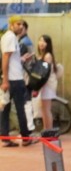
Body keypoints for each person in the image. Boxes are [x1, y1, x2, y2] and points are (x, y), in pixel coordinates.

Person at [1, 15, 32, 147]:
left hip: (12, 78)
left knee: (6, 109)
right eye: (18, 24)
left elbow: (11, 59)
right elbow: (6, 59)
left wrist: (22, 60)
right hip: (14, 79)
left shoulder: (11, 37)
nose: (21, 26)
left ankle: (5, 137)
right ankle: (25, 137)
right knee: (20, 108)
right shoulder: (10, 37)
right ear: (11, 25)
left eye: (21, 24)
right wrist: (6, 80)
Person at [33, 34, 58, 133]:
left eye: (44, 41)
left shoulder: (47, 56)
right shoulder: (42, 55)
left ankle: (49, 130)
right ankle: (46, 129)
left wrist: (38, 87)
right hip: (44, 85)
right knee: (43, 108)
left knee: (46, 109)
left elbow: (45, 73)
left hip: (47, 85)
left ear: (48, 44)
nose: (41, 43)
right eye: (40, 41)